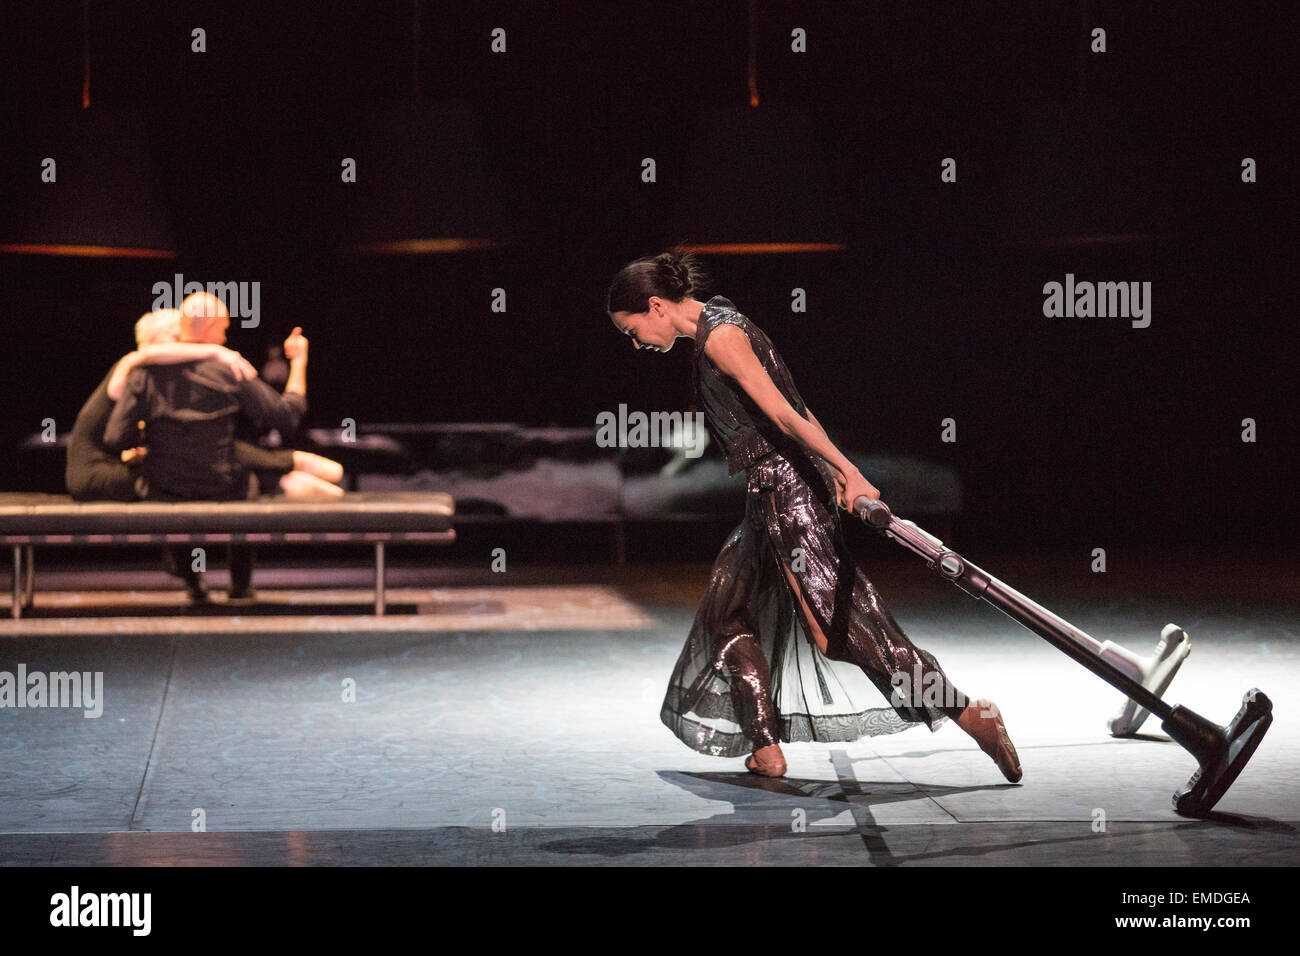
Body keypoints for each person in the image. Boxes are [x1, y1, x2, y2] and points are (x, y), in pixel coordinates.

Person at [606, 252, 1021, 782]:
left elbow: (785, 413)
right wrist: (837, 471)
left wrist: (848, 471)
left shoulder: (721, 335)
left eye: (631, 328)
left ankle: (967, 712)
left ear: (656, 306)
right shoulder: (718, 327)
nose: (636, 342)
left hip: (788, 496)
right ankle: (766, 747)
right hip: (771, 497)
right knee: (727, 616)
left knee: (838, 634)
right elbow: (795, 408)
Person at [103, 292, 326, 601]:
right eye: (223, 327)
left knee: (164, 483)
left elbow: (115, 439)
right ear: (208, 326)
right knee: (246, 481)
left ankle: (194, 584)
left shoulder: (145, 373)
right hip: (220, 486)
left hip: (166, 489)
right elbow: (286, 416)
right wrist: (299, 362)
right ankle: (240, 585)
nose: (225, 335)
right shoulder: (229, 367)